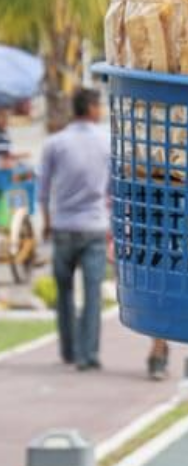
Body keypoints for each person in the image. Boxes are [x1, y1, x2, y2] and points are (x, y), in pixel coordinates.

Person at [38, 88, 110, 371]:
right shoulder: (107, 142)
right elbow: (113, 191)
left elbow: (43, 190)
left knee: (64, 291)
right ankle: (87, 354)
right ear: (91, 108)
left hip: (63, 226)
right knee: (92, 294)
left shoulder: (55, 143)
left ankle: (68, 350)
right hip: (94, 227)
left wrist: (46, 222)